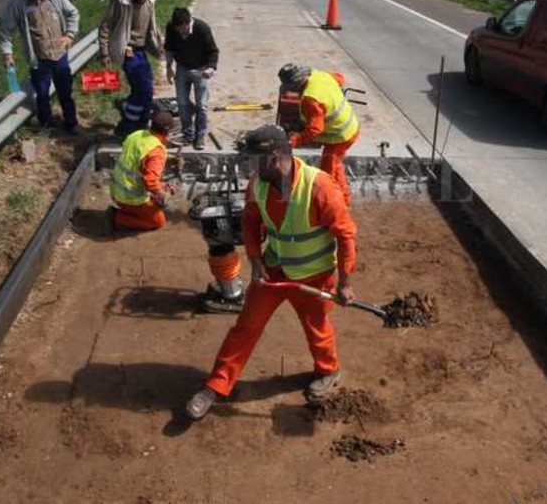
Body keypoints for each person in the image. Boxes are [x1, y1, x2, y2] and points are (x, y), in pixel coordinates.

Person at [185, 125, 358, 420]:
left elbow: (346, 235)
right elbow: (251, 223)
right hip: (273, 272)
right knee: (245, 327)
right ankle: (217, 385)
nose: (249, 166)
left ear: (275, 157)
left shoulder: (320, 188)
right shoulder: (258, 184)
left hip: (314, 275)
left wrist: (345, 282)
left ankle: (328, 371)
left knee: (317, 327)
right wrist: (256, 263)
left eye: (254, 159)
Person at [0, 0, 81, 133]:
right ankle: (47, 125)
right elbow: (5, 30)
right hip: (39, 59)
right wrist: (7, 53)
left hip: (60, 54)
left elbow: (73, 12)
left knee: (65, 91)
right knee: (42, 94)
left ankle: (71, 123)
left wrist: (70, 35)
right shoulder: (17, 3)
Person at [277, 63, 360, 206]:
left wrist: (295, 140)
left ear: (297, 84)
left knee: (328, 171)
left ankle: (338, 204)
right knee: (336, 166)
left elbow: (316, 129)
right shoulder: (319, 75)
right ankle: (342, 198)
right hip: (347, 125)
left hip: (340, 135)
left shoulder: (311, 99)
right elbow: (340, 78)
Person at [99, 0, 164, 137]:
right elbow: (105, 27)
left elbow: (151, 25)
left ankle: (139, 123)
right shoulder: (120, 0)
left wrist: (159, 41)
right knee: (144, 89)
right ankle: (127, 124)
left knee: (145, 91)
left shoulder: (149, 1)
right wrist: (105, 53)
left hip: (142, 50)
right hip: (128, 51)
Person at [110, 110, 178, 232]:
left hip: (116, 190)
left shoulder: (138, 134)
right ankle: (117, 218)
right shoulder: (157, 151)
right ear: (167, 131)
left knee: (160, 189)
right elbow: (151, 181)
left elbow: (137, 162)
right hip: (129, 198)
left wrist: (161, 186)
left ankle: (131, 211)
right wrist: (163, 195)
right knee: (158, 221)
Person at [164, 7, 219, 150]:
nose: (181, 33)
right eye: (178, 30)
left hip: (201, 69)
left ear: (189, 23)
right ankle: (188, 134)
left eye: (184, 29)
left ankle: (200, 136)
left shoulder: (202, 28)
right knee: (182, 103)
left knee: (202, 105)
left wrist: (211, 68)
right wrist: (169, 67)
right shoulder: (171, 28)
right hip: (182, 68)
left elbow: (213, 51)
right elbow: (169, 48)